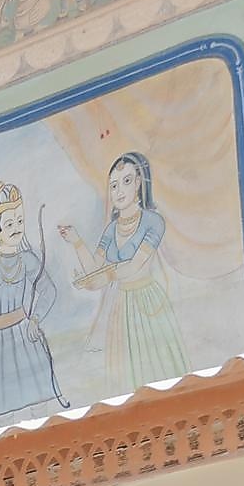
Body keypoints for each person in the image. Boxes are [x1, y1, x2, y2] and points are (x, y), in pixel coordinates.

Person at [64, 151, 189, 391]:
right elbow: (95, 270)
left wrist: (104, 276)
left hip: (148, 303)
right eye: (113, 186)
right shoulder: (111, 230)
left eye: (126, 181)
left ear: (139, 182)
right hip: (120, 308)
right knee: (127, 382)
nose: (119, 191)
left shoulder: (153, 222)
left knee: (160, 373)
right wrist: (77, 242)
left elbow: (133, 265)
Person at [0, 181, 67, 423]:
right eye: (9, 224)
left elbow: (49, 291)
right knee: (4, 420)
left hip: (24, 337)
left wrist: (35, 319)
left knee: (39, 409)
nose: (17, 228)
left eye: (20, 221)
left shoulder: (27, 260)